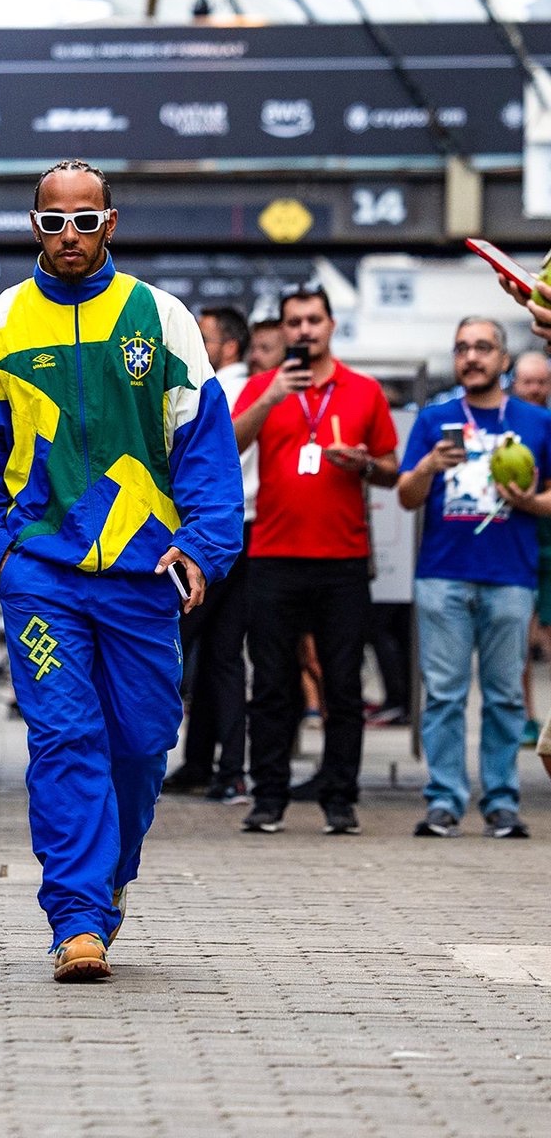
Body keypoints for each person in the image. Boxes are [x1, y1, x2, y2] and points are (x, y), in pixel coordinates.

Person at [0, 159, 243, 982]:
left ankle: (104, 886)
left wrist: (206, 545)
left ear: (111, 222)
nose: (67, 235)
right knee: (65, 734)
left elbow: (204, 446)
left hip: (145, 575)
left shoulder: (162, 318)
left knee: (143, 745)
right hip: (43, 574)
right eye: (52, 222)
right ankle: (76, 917)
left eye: (83, 219)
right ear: (32, 226)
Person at [232, 281, 399, 836]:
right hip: (273, 555)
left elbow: (394, 469)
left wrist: (364, 464)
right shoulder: (263, 385)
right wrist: (272, 398)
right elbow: (228, 445)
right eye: (294, 322)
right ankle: (269, 797)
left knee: (344, 687)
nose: (304, 330)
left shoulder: (363, 390)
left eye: (313, 320)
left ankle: (339, 798)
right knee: (272, 685)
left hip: (342, 560)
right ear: (283, 329)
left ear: (330, 325)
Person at [399, 317, 551, 839]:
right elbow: (405, 496)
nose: (471, 357)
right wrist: (426, 469)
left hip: (510, 574)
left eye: (483, 348)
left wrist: (531, 502)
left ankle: (502, 801)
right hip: (442, 574)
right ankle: (444, 800)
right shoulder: (434, 419)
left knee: (506, 696)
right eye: (462, 347)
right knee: (443, 695)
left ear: (504, 360)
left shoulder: (536, 421)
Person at [162, 304, 252, 803]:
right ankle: (214, 767)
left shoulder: (222, 388)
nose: (193, 342)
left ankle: (212, 765)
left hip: (204, 540)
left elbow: (213, 453)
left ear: (228, 347)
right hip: (236, 536)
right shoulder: (231, 385)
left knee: (174, 644)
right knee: (220, 656)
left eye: (203, 336)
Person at [511, 350, 551, 744]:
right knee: (519, 634)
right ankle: (526, 715)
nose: (536, 389)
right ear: (515, 383)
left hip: (550, 541)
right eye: (529, 382)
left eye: (542, 382)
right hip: (519, 542)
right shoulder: (503, 428)